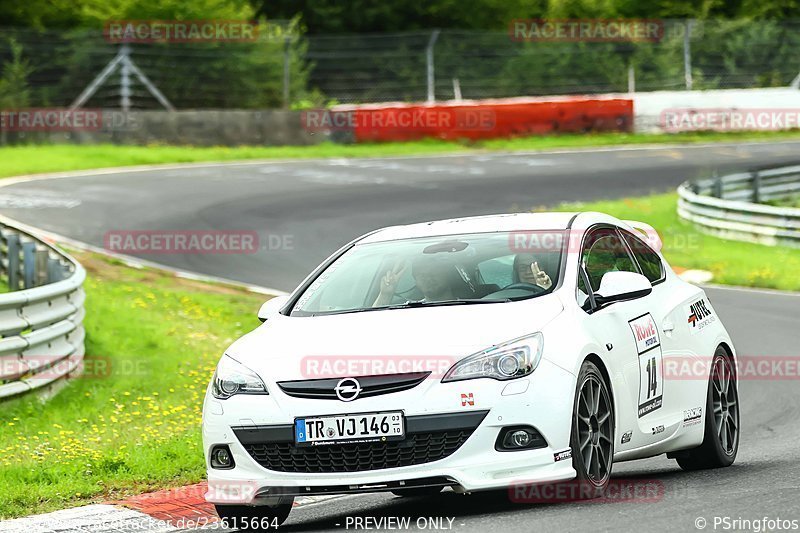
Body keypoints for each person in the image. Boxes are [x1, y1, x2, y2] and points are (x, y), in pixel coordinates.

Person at [373, 255, 456, 307]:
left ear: (446, 274)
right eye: (421, 275)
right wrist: (385, 294)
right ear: (415, 280)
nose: (427, 278)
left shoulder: (468, 307)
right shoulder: (408, 309)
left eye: (433, 272)